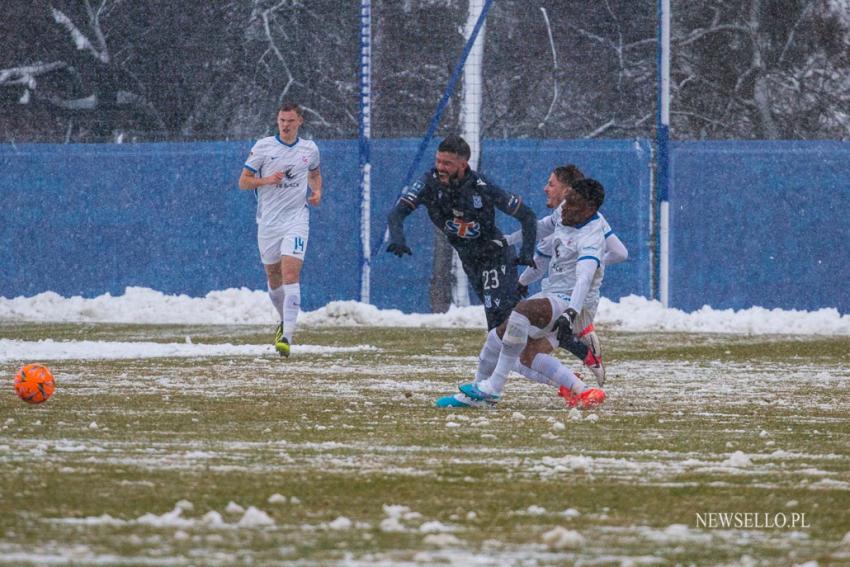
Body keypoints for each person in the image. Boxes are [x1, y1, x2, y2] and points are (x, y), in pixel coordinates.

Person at [449, 178, 610, 408]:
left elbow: (584, 280)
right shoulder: (566, 211)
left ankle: (493, 388)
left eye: (574, 205)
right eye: (567, 201)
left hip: (577, 304)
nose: (565, 208)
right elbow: (540, 227)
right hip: (553, 294)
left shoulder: (591, 238)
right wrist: (505, 241)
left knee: (522, 312)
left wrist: (571, 314)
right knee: (502, 339)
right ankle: (479, 393)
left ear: (590, 210)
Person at [386, 135, 537, 330]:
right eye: (438, 161)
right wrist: (398, 238)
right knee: (509, 321)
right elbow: (396, 214)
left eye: (447, 163)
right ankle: (546, 345)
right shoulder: (428, 183)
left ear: (463, 165)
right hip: (470, 261)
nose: (440, 167)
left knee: (498, 322)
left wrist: (526, 252)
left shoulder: (481, 185)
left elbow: (528, 216)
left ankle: (526, 352)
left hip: (495, 256)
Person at [504, 164, 629, 385]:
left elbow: (619, 253)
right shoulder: (561, 218)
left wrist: (591, 265)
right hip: (559, 294)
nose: (545, 188)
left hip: (572, 301)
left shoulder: (591, 223)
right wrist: (508, 243)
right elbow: (541, 252)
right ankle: (576, 372)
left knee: (515, 344)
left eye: (551, 184)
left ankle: (575, 374)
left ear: (567, 190)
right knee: (522, 351)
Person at [238, 102, 322, 357]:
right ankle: (283, 320)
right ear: (277, 121)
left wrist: (317, 191)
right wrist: (266, 180)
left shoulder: (310, 149)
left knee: (290, 275)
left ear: (300, 122)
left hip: (296, 219)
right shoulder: (264, 146)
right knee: (274, 278)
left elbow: (314, 174)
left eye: (290, 121)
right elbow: (243, 182)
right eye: (281, 121)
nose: (285, 125)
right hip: (268, 222)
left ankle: (287, 337)